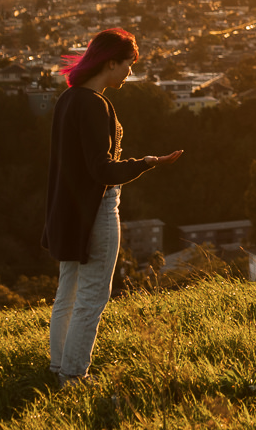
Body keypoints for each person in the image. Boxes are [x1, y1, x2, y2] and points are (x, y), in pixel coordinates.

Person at [42, 28, 182, 386]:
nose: (130, 74)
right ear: (110, 63)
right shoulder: (94, 104)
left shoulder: (68, 100)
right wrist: (147, 162)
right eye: (128, 65)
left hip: (69, 206)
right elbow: (101, 169)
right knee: (92, 294)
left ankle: (59, 368)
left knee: (68, 291)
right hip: (96, 207)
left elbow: (64, 165)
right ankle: (74, 376)